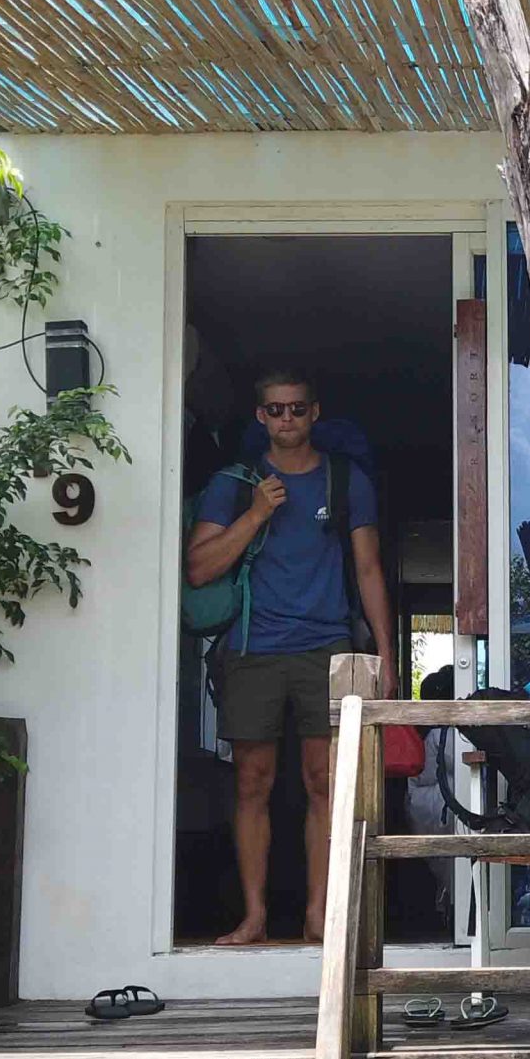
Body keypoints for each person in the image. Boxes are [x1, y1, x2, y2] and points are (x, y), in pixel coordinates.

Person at [185, 369, 393, 944]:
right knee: (252, 781)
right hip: (254, 649)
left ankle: (317, 914)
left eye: (297, 409)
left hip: (326, 649)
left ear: (315, 413)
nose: (286, 420)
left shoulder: (346, 481)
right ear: (260, 417)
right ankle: (253, 916)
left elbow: (369, 570)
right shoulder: (235, 483)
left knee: (325, 781)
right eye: (275, 410)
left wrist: (387, 653)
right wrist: (255, 513)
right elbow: (199, 567)